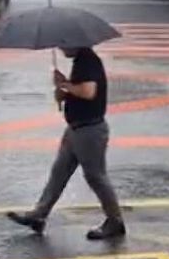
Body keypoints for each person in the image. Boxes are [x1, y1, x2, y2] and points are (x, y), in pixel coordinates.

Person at [7, 47, 125, 240]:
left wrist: (65, 84)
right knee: (59, 172)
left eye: (64, 45)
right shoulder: (80, 61)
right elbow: (76, 93)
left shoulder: (88, 60)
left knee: (96, 176)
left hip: (89, 130)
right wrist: (62, 91)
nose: (61, 49)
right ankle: (39, 215)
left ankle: (115, 221)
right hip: (75, 129)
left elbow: (88, 92)